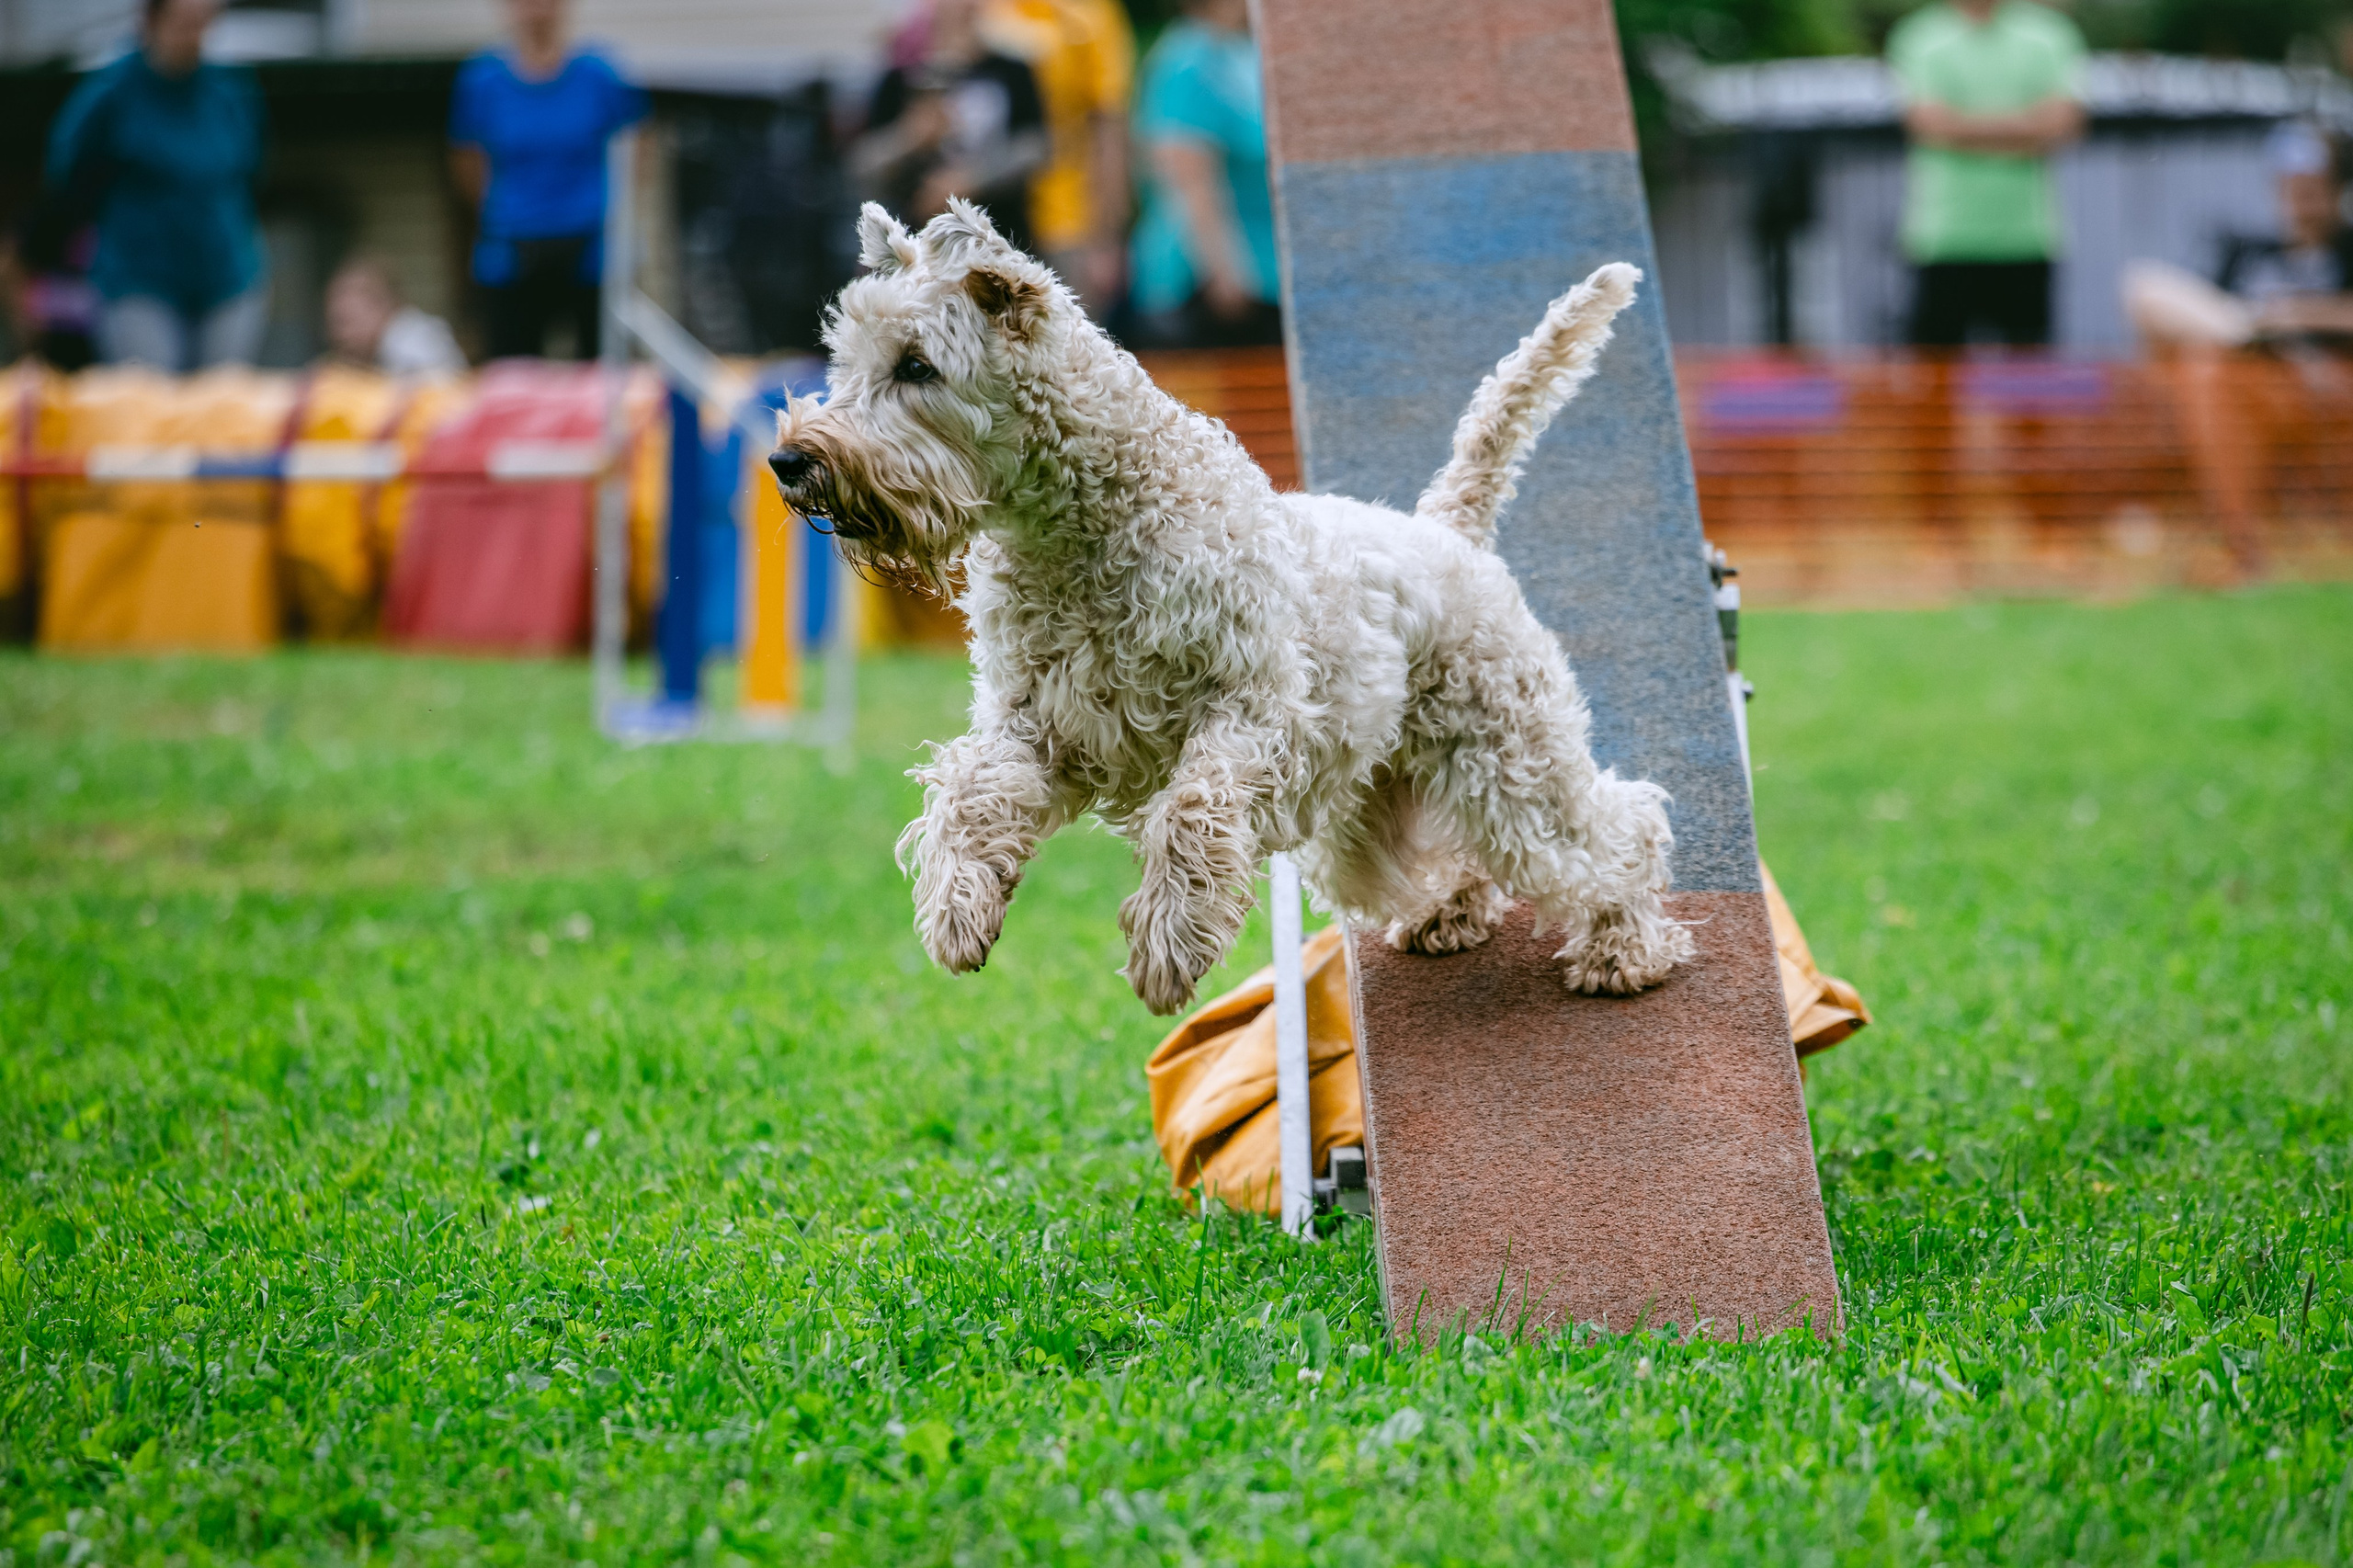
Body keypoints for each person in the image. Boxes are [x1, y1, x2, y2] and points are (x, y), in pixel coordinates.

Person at [42, 0, 268, 372]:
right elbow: (68, 172)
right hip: (139, 281)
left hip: (224, 277)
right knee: (151, 394)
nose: (195, 38)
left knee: (222, 396)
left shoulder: (229, 91)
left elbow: (253, 172)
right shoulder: (113, 92)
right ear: (150, 22)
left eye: (203, 24)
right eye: (184, 24)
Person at [449, 0, 647, 361]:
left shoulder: (600, 73)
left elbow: (637, 143)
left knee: (602, 368)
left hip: (591, 249)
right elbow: (467, 159)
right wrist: (502, 211)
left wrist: (616, 209)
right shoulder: (481, 80)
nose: (537, 9)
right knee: (513, 372)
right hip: (513, 249)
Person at [1889, 0, 2086, 348]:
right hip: (1944, 240)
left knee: (2029, 375)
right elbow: (1927, 123)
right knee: (1936, 375)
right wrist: (2025, 129)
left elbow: (2064, 123)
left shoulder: (2050, 34)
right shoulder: (1919, 36)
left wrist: (1963, 127)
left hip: (2027, 240)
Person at [1127, 0, 1279, 348]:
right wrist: (1223, 271)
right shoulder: (1188, 60)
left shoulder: (1238, 48)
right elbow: (1187, 176)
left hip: (1265, 275)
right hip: (1215, 285)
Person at [854, 0, 1049, 253]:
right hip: (917, 245)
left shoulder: (1012, 72)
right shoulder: (901, 78)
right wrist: (910, 137)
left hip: (1000, 241)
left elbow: (1036, 148)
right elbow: (862, 166)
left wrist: (971, 180)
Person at [987, 0, 1136, 317]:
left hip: (1066, 222)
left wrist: (1106, 240)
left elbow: (1108, 130)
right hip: (991, 218)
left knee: (1071, 335)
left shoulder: (1089, 13)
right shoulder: (986, 8)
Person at [323, 256, 468, 378]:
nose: (340, 335)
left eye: (346, 322)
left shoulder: (409, 342)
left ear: (382, 304)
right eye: (333, 325)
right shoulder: (397, 340)